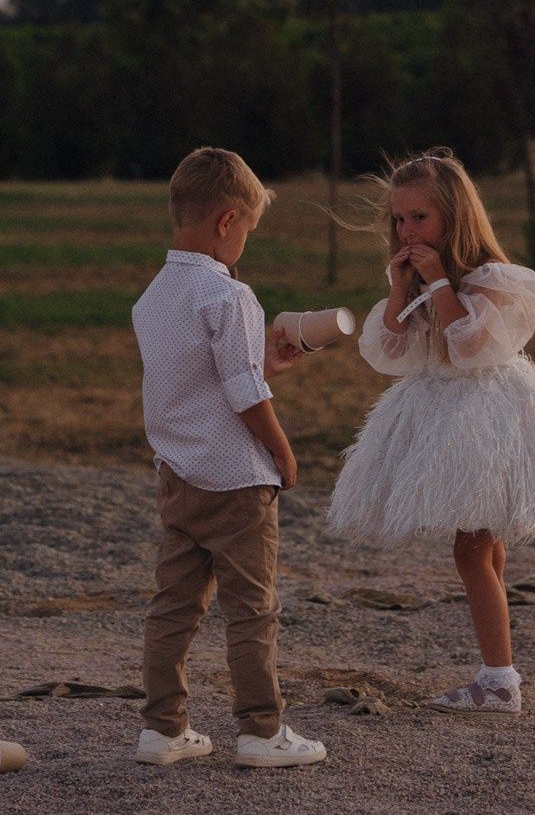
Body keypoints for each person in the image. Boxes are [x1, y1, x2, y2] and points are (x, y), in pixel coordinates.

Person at [327, 148, 535, 712]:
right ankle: (498, 670)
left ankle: (499, 681)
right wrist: (401, 287)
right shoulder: (415, 276)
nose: (406, 229)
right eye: (398, 219)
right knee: (482, 550)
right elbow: (387, 350)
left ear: (454, 215)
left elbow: (470, 345)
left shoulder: (497, 280)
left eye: (420, 217)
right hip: (442, 410)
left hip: (486, 415)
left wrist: (441, 281)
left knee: (470, 551)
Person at [130, 146, 326, 769]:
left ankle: (162, 729)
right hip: (238, 484)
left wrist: (265, 365)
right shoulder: (230, 297)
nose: (245, 243)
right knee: (252, 609)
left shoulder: (153, 298)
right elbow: (243, 392)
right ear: (226, 221)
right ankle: (262, 732)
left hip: (178, 479)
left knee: (174, 606)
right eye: (248, 231)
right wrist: (282, 452)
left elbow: (201, 381)